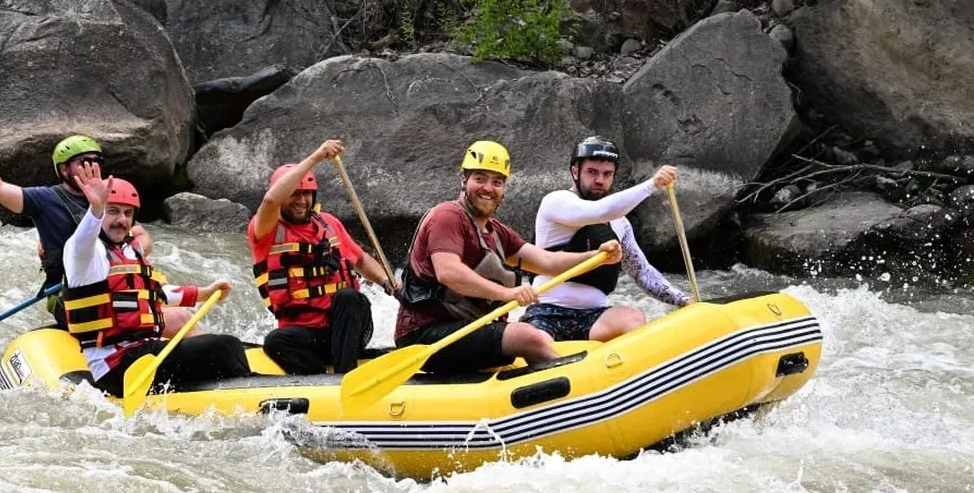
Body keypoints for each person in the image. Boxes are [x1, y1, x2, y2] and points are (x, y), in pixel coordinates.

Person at [394, 140, 622, 373]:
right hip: (425, 337)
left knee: (531, 337)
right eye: (480, 179)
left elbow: (547, 262)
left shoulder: (497, 232)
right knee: (525, 335)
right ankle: (577, 388)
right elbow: (449, 273)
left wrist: (598, 256)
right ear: (464, 179)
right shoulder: (447, 216)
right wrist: (508, 293)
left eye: (497, 182)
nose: (488, 188)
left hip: (465, 331)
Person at [61, 163, 251, 395]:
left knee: (224, 345)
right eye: (113, 211)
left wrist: (204, 292)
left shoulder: (130, 251)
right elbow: (84, 239)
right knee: (224, 346)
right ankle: (251, 388)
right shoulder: (83, 254)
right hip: (118, 366)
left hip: (145, 352)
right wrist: (96, 209)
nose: (121, 219)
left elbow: (156, 294)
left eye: (128, 213)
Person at [0, 129, 153, 325]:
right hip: (67, 294)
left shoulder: (109, 195)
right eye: (84, 162)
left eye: (97, 162)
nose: (92, 167)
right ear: (64, 169)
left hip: (113, 285)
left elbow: (143, 237)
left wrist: (116, 259)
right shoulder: (45, 199)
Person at [248, 140, 397, 374]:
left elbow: (360, 259)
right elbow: (270, 201)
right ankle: (321, 380)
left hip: (347, 327)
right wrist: (316, 157)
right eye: (295, 194)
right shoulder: (266, 230)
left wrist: (389, 283)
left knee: (349, 297)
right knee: (275, 341)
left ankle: (343, 374)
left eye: (307, 194)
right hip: (306, 336)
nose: (302, 201)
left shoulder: (329, 223)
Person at [520, 135, 690, 342]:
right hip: (546, 313)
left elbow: (642, 273)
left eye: (607, 174)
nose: (600, 180)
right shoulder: (556, 202)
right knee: (537, 342)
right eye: (592, 172)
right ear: (575, 172)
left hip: (594, 317)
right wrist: (652, 185)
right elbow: (599, 211)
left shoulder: (621, 224)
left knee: (632, 317)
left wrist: (684, 301)